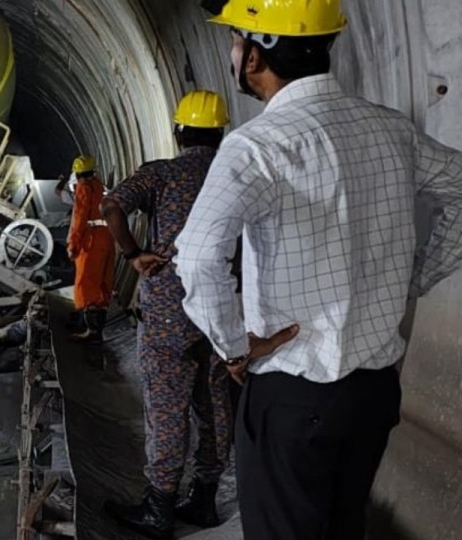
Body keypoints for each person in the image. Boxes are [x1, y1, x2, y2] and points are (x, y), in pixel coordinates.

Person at [174, 1, 462, 539]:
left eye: (236, 41)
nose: (232, 53)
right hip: (373, 394)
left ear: (256, 55)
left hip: (294, 392)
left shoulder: (256, 147)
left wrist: (234, 344)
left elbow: (196, 255)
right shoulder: (390, 130)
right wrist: (413, 276)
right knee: (341, 526)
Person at [100, 90, 233, 540]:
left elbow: (112, 205)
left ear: (179, 131)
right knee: (213, 402)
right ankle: (205, 497)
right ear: (221, 132)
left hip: (168, 310)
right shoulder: (235, 171)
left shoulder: (163, 173)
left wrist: (134, 254)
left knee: (166, 405)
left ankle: (159, 505)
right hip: (222, 307)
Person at [67, 155, 115, 341]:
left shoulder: (84, 188)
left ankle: (90, 330)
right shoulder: (100, 186)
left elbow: (79, 218)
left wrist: (73, 244)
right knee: (102, 282)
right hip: (107, 236)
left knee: (86, 282)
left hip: (91, 238)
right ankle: (96, 327)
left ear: (78, 174)